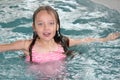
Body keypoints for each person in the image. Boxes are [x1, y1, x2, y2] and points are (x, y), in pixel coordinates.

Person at [0, 5, 120, 79]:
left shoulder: (62, 42)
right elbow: (3, 47)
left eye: (51, 23)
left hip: (64, 76)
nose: (46, 28)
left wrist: (106, 39)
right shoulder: (27, 46)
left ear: (57, 26)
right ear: (34, 27)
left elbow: (85, 40)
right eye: (40, 24)